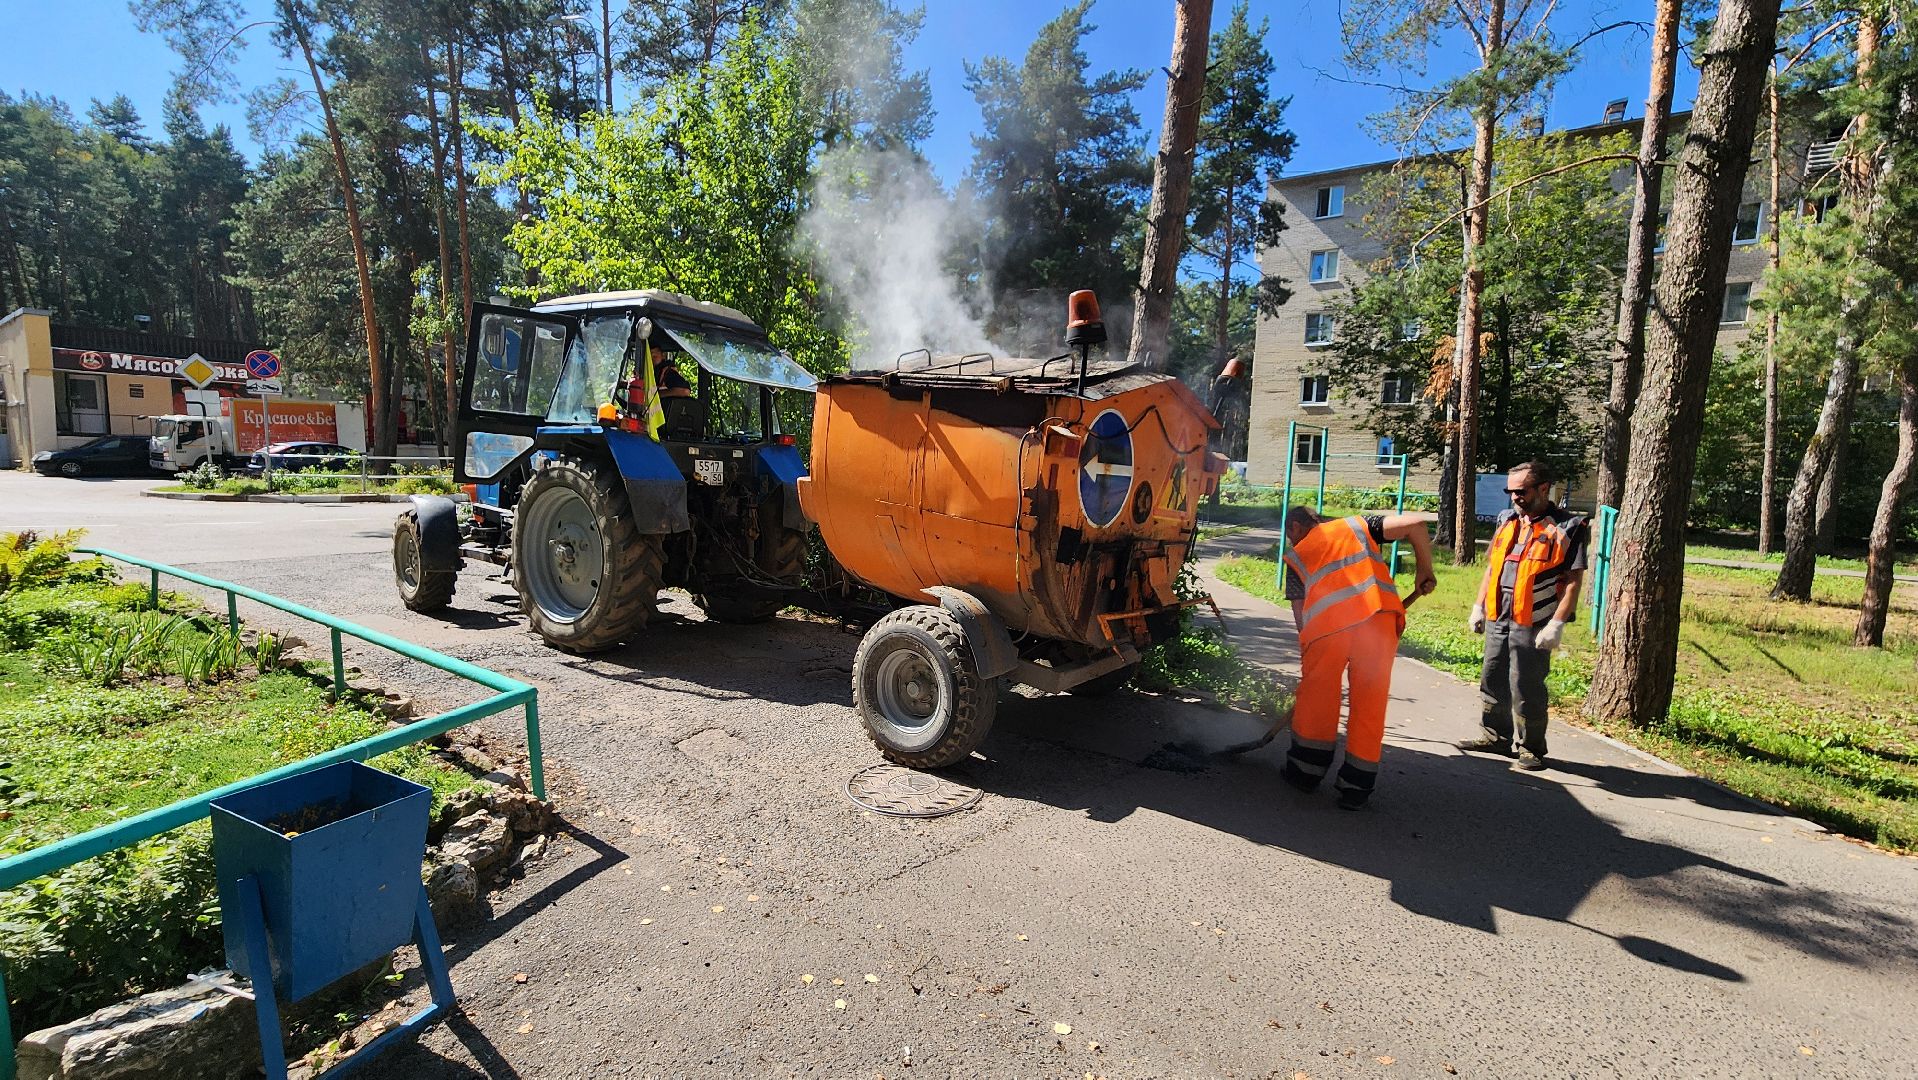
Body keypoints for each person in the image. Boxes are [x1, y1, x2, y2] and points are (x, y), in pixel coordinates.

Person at [1281, 506, 1438, 809]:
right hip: (1378, 626)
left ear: (1296, 527)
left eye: (1290, 535)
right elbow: (1417, 525)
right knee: (1370, 703)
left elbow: (1301, 616)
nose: (1291, 541)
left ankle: (1305, 773)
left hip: (1328, 630)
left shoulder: (1297, 555)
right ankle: (1357, 786)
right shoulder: (1358, 527)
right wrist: (1424, 570)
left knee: (1318, 700)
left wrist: (1309, 653)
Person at [1457, 460, 1589, 771]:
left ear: (1543, 488)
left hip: (1534, 620)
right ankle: (1494, 736)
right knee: (1492, 676)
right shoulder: (1507, 520)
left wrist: (1557, 623)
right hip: (1499, 614)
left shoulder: (1568, 526)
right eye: (1510, 491)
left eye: (1521, 491)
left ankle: (1531, 747)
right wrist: (1478, 606)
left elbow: (1573, 581)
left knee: (1526, 685)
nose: (1515, 497)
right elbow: (1493, 568)